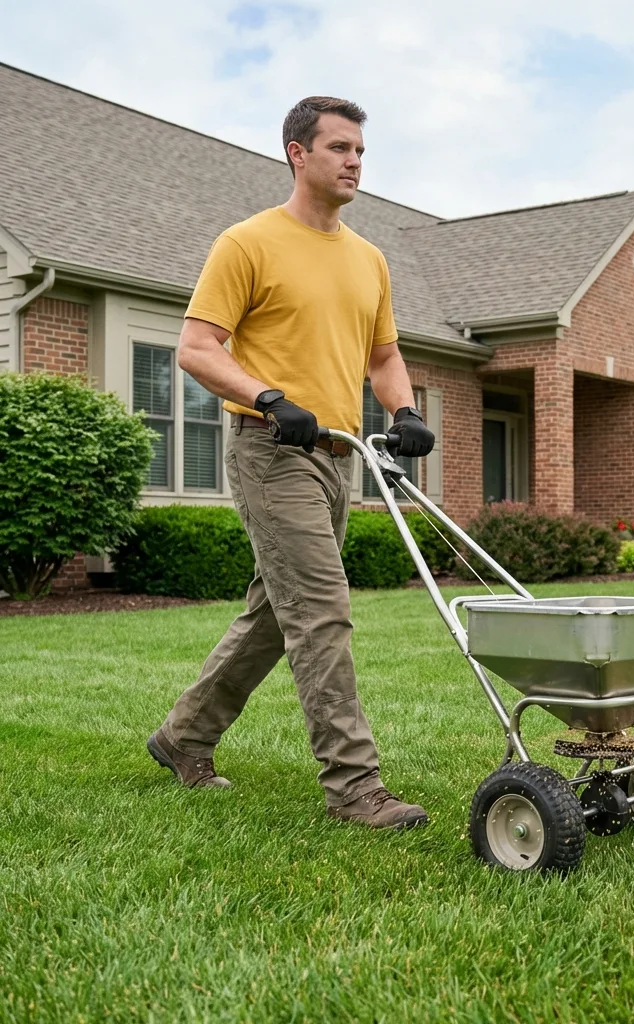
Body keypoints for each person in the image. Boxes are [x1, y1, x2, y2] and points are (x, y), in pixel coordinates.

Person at [146, 96, 434, 830]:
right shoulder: (248, 244)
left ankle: (183, 738)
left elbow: (384, 355)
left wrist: (403, 412)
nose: (355, 162)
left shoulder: (368, 258)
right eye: (339, 148)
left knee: (278, 616)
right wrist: (270, 397)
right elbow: (197, 348)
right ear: (297, 154)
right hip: (272, 451)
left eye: (361, 150)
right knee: (322, 613)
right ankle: (354, 787)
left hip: (340, 459)